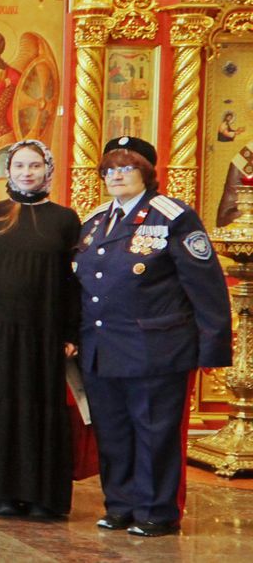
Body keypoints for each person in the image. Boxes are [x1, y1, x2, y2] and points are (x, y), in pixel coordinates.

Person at [76, 136, 230, 537]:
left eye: (126, 168)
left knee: (154, 432)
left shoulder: (173, 216)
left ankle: (156, 511)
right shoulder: (96, 220)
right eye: (109, 169)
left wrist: (212, 347)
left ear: (146, 173)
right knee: (112, 431)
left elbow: (205, 285)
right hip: (102, 347)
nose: (116, 176)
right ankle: (120, 505)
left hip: (156, 347)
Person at [0, 139, 78, 517]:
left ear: (47, 170)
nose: (27, 173)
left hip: (42, 333)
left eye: (35, 166)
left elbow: (73, 283)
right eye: (20, 166)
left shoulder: (65, 219)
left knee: (36, 406)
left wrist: (71, 333)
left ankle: (39, 495)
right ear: (7, 171)